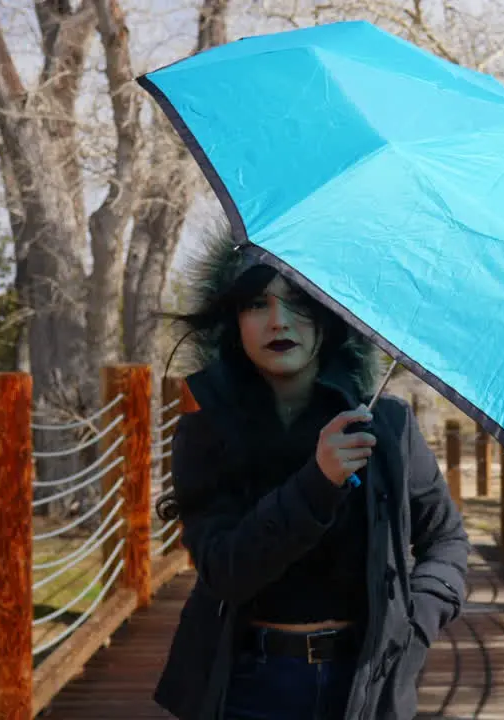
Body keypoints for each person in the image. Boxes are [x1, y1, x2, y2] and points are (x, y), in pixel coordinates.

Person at [151, 220, 471, 720]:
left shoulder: (385, 426)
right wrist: (318, 482)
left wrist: (415, 619)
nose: (279, 321)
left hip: (363, 687)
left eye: (299, 301)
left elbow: (446, 539)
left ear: (328, 317)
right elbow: (224, 571)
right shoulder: (207, 431)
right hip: (248, 684)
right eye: (258, 303)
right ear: (234, 321)